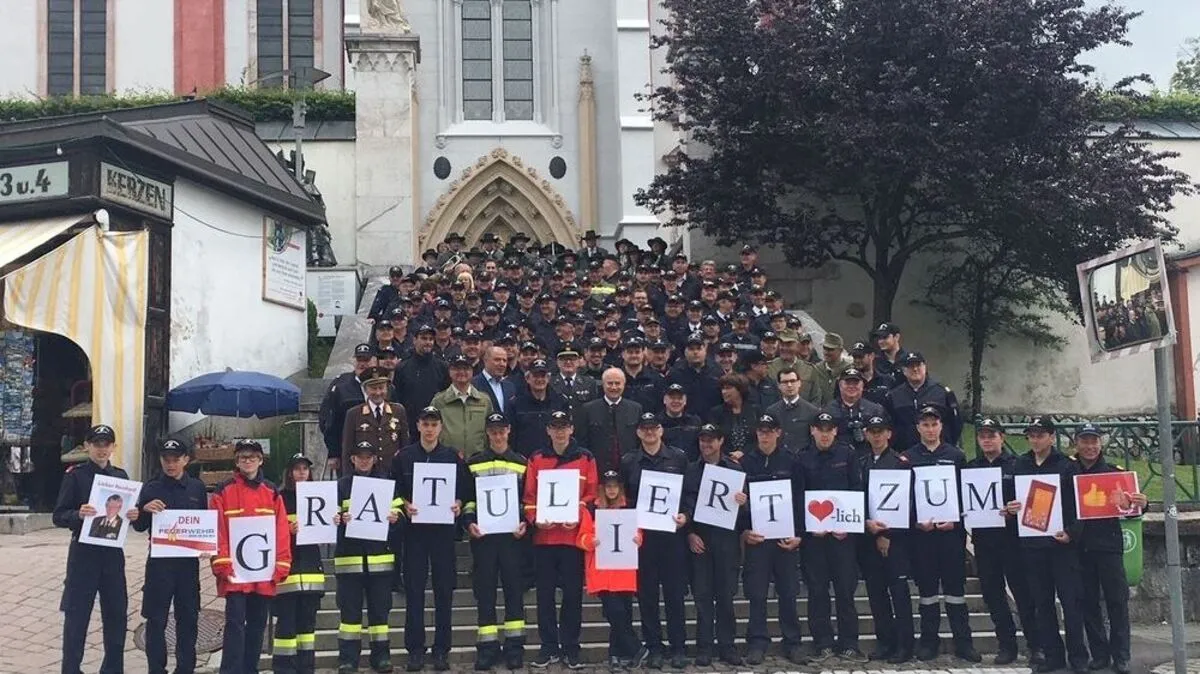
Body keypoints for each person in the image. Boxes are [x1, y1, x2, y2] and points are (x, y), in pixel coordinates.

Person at [54, 424, 138, 674]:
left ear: (113, 447)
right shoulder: (75, 475)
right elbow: (58, 515)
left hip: (112, 554)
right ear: (87, 446)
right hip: (84, 554)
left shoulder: (121, 477)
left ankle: (113, 668)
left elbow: (128, 512)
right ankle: (71, 669)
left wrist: (133, 513)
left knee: (116, 614)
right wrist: (78, 514)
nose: (102, 449)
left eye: (106, 444)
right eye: (97, 444)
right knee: (77, 616)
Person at [1008, 416, 1089, 674]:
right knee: (1041, 604)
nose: (1035, 439)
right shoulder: (1020, 464)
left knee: (1071, 603)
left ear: (1052, 437)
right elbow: (1013, 500)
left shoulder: (1066, 466)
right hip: (1032, 546)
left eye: (1040, 434)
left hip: (1061, 545)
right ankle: (1052, 656)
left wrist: (1072, 533)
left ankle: (1078, 657)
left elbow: (1080, 504)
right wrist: (1011, 508)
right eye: (1031, 435)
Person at [394, 407, 472, 671]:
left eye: (434, 424)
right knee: (414, 592)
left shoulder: (453, 457)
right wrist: (405, 504)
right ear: (418, 425)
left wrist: (459, 504)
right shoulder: (404, 457)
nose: (429, 429)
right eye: (425, 424)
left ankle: (442, 649)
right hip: (415, 534)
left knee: (443, 591)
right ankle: (415, 649)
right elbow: (394, 491)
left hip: (442, 534)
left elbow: (465, 490)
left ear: (440, 428)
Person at [900, 406, 979, 663]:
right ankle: (929, 642)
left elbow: (966, 495)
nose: (930, 429)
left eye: (934, 424)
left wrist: (956, 522)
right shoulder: (907, 458)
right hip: (922, 537)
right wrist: (915, 522)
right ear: (918, 428)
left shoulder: (956, 456)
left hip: (950, 536)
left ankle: (963, 642)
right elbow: (905, 498)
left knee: (956, 591)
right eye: (925, 424)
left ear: (941, 427)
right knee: (927, 592)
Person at [523, 410, 599, 669]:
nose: (559, 431)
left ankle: (570, 647)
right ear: (548, 430)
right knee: (544, 596)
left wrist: (578, 515)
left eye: (564, 426)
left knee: (572, 596)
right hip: (544, 539)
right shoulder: (537, 458)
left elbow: (592, 495)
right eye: (555, 427)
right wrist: (535, 520)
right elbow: (529, 498)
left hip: (571, 539)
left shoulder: (586, 457)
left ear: (571, 429)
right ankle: (548, 647)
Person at [1070, 422, 1146, 674]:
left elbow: (1133, 506)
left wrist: (1141, 503)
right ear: (1076, 443)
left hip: (1109, 547)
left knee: (1117, 602)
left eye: (1094, 441)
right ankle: (1099, 654)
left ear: (1100, 443)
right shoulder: (1069, 473)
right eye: (1085, 441)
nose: (1090, 446)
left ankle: (1121, 655)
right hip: (1080, 548)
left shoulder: (1115, 473)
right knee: (1088, 603)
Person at [211, 439, 292, 674]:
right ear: (236, 461)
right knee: (235, 625)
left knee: (257, 626)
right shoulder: (223, 491)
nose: (248, 461)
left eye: (252, 457)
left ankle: (250, 669)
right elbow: (218, 529)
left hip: (263, 574)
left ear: (260, 460)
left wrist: (281, 565)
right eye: (243, 457)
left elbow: (281, 531)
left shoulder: (272, 491)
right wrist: (222, 564)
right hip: (235, 574)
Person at [967, 417, 1040, 666]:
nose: (987, 439)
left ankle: (1035, 645)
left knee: (1023, 594)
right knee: (993, 595)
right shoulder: (970, 468)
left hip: (1012, 541)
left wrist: (1016, 507)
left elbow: (1032, 500)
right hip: (984, 542)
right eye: (983, 435)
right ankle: (1006, 645)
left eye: (992, 435)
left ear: (1002, 438)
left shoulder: (1018, 465)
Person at [796, 412, 867, 663]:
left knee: (845, 591)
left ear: (836, 431)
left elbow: (857, 489)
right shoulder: (802, 457)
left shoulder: (847, 454)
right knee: (817, 591)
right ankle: (822, 642)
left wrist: (850, 524)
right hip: (815, 539)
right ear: (812, 430)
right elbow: (798, 496)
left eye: (829, 429)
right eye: (820, 429)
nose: (824, 434)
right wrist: (807, 528)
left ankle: (849, 643)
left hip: (842, 537)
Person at [620, 413, 690, 669]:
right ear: (638, 432)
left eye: (654, 427)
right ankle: (654, 647)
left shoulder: (679, 457)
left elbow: (688, 494)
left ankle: (678, 646)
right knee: (647, 597)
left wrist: (687, 516)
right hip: (643, 540)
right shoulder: (629, 461)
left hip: (672, 537)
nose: (650, 432)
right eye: (644, 428)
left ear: (661, 430)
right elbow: (623, 498)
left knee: (674, 595)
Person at [132, 439, 208, 674]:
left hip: (187, 565)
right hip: (159, 564)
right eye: (166, 459)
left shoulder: (197, 487)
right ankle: (156, 668)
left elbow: (204, 522)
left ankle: (185, 668)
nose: (171, 464)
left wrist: (206, 543)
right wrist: (143, 510)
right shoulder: (151, 488)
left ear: (186, 460)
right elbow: (139, 526)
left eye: (176, 459)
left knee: (188, 619)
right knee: (156, 620)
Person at [463, 413, 531, 670]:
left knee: (514, 592)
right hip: (484, 539)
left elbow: (527, 499)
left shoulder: (521, 462)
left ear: (509, 431)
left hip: (512, 539)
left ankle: (515, 647)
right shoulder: (474, 463)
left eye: (502, 430)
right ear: (487, 433)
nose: (498, 435)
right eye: (493, 431)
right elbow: (468, 498)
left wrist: (526, 521)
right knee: (485, 593)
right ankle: (487, 648)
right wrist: (469, 522)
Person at [740, 414, 807, 666]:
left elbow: (800, 500)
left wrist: (799, 534)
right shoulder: (745, 462)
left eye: (769, 431)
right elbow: (739, 504)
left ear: (778, 432)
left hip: (785, 539)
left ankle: (793, 642)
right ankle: (757, 642)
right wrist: (745, 532)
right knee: (756, 594)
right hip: (758, 541)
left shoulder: (792, 461)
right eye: (761, 431)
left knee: (788, 592)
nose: (764, 435)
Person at [333, 441, 400, 674]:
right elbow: (328, 519)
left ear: (374, 458)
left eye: (368, 456)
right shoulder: (341, 486)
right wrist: (340, 519)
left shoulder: (386, 484)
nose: (364, 460)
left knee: (380, 616)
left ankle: (381, 658)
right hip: (349, 561)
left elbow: (399, 513)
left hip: (379, 560)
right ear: (352, 459)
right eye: (359, 456)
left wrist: (395, 518)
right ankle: (348, 660)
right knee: (349, 617)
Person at [683, 424, 746, 667]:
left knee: (726, 596)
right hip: (701, 539)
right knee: (702, 596)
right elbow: (684, 504)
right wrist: (689, 533)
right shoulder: (691, 470)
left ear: (720, 441)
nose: (706, 445)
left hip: (727, 540)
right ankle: (704, 646)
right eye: (702, 440)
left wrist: (743, 502)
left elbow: (744, 513)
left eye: (711, 440)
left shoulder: (734, 470)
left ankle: (727, 646)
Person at [856, 416, 914, 664]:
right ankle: (885, 642)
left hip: (896, 540)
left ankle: (904, 645)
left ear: (889, 434)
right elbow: (858, 499)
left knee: (899, 594)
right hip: (868, 538)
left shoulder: (901, 464)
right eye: (872, 432)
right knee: (876, 594)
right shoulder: (862, 463)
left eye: (881, 432)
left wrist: (886, 535)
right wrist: (867, 526)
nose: (877, 436)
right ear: (866, 435)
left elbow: (908, 505)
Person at [577, 471, 648, 671]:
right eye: (608, 486)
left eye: (615, 486)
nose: (611, 489)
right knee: (614, 612)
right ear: (602, 488)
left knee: (623, 615)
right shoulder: (591, 509)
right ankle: (637, 649)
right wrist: (590, 542)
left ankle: (616, 656)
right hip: (602, 571)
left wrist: (638, 539)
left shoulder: (629, 508)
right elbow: (580, 538)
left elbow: (638, 533)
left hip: (624, 570)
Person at [274, 453, 327, 674]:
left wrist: (333, 521)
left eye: (305, 468)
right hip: (288, 571)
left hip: (311, 569)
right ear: (289, 473)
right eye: (297, 469)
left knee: (307, 627)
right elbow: (269, 530)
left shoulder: (319, 496)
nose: (301, 472)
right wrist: (287, 530)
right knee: (286, 625)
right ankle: (283, 668)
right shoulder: (278, 498)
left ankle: (307, 668)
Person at [572, 368, 643, 474]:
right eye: (610, 383)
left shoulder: (636, 408)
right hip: (597, 470)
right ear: (603, 384)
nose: (614, 387)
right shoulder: (588, 409)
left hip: (628, 470)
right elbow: (582, 441)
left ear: (624, 384)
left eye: (617, 383)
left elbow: (639, 442)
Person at [886, 352, 962, 451]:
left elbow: (955, 423)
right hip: (905, 452)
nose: (915, 369)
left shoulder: (942, 392)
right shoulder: (894, 396)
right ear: (904, 371)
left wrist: (946, 443)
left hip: (938, 452)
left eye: (918, 365)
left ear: (925, 367)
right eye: (910, 366)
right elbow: (889, 425)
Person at [320, 344, 376, 475]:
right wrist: (333, 453)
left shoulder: (383, 386)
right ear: (353, 360)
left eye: (366, 360)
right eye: (359, 360)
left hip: (376, 454)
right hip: (347, 453)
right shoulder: (340, 386)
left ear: (374, 361)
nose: (363, 364)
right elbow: (328, 420)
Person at [342, 367, 409, 474]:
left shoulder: (398, 411)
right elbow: (347, 451)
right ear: (365, 389)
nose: (378, 392)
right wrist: (347, 480)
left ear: (387, 388)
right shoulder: (354, 414)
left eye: (381, 388)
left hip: (392, 473)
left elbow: (405, 446)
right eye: (373, 388)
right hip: (365, 475)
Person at [431, 354, 494, 457]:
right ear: (450, 371)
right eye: (457, 368)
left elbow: (491, 430)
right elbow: (432, 431)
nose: (461, 372)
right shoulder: (439, 401)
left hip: (478, 460)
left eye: (466, 368)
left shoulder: (484, 401)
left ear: (472, 371)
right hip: (447, 460)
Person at [508, 359, 570, 456]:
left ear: (548, 378)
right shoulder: (515, 403)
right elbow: (511, 436)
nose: (540, 379)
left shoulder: (560, 401)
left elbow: (567, 432)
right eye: (536, 376)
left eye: (543, 376)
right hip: (525, 460)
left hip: (554, 459)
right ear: (527, 378)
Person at [823, 368, 887, 455]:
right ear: (840, 385)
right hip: (837, 458)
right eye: (848, 383)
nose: (851, 386)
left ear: (862, 385)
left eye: (855, 383)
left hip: (867, 457)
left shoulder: (874, 410)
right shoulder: (828, 410)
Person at [766, 368, 821, 450]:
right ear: (779, 385)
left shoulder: (812, 411)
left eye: (793, 381)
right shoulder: (771, 411)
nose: (789, 385)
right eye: (785, 382)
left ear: (799, 383)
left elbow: (815, 442)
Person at [474, 346, 518, 416]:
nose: (502, 364)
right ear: (485, 360)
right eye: (497, 360)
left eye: (504, 360)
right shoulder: (473, 384)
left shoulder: (510, 386)